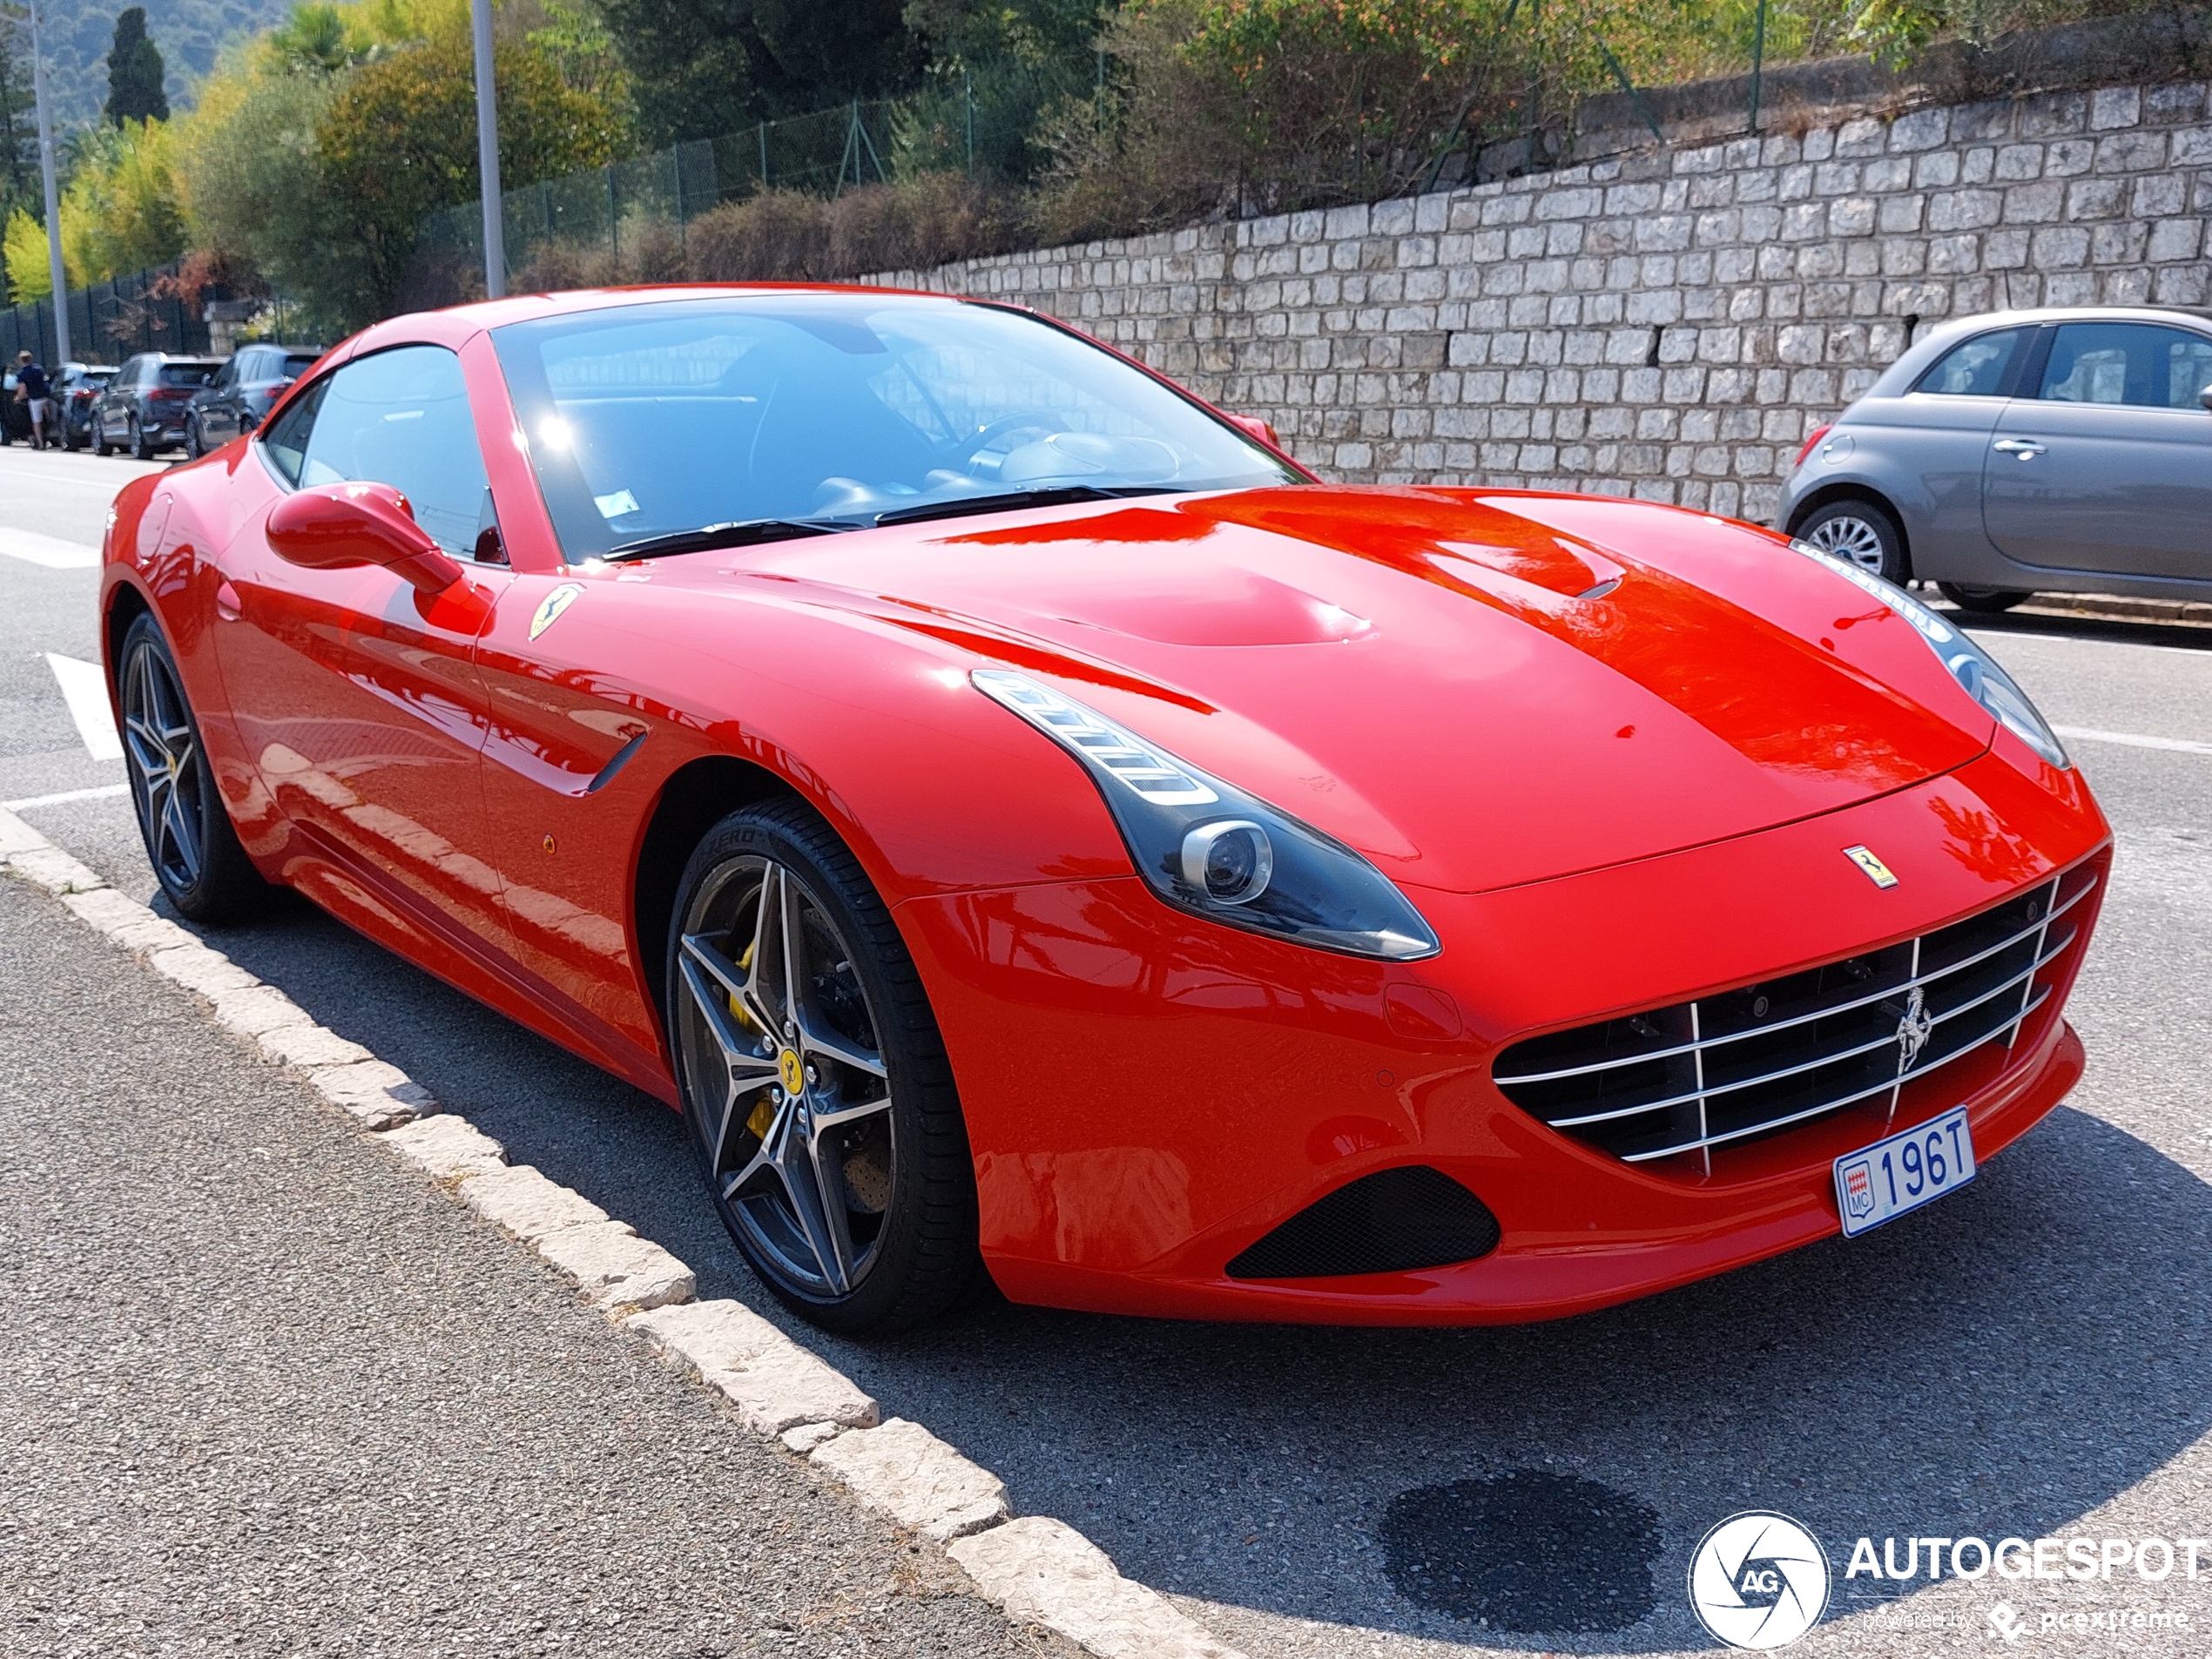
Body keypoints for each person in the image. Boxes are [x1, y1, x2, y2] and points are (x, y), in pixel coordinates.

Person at [16, 351, 52, 449]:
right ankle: (52, 435)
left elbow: (22, 390)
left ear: (20, 361)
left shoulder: (21, 374)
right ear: (31, 359)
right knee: (49, 417)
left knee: (37, 422)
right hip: (46, 396)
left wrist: (18, 398)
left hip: (35, 399)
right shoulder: (39, 368)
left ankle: (40, 443)